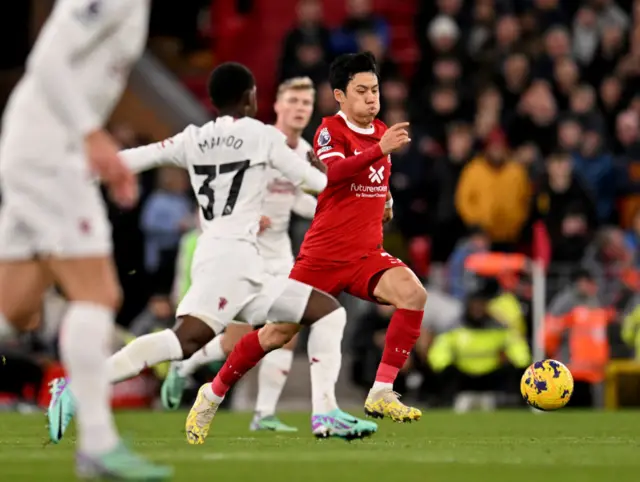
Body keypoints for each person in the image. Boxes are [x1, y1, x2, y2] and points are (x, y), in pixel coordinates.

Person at [47, 62, 361, 447]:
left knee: (328, 312)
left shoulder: (192, 138)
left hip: (235, 260)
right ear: (250, 97)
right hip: (231, 262)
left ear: (212, 101)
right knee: (183, 343)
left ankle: (326, 413)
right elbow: (314, 183)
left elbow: (135, 158)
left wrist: (76, 174)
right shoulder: (261, 135)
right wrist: (327, 174)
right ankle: (79, 386)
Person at [0, 0, 171, 479]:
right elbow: (47, 60)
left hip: (41, 149)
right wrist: (94, 138)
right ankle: (97, 444)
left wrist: (100, 153)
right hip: (49, 154)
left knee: (13, 308)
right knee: (98, 294)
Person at [212, 51, 423, 427]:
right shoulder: (329, 131)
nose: (372, 98)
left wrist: (387, 201)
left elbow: (374, 181)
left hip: (364, 256)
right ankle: (212, 393)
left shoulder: (379, 132)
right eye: (362, 91)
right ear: (340, 96)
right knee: (276, 334)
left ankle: (381, 392)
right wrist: (380, 151)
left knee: (413, 295)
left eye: (375, 90)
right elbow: (333, 174)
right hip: (322, 259)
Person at [162, 77, 375, 438]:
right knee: (234, 340)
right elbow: (214, 191)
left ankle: (264, 413)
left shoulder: (304, 150)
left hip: (279, 258)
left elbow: (304, 201)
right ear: (275, 105)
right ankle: (183, 369)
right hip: (244, 254)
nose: (300, 108)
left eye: (306, 103)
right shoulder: (254, 141)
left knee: (284, 334)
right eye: (293, 101)